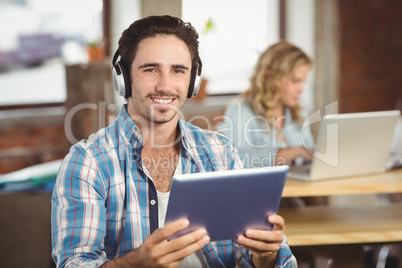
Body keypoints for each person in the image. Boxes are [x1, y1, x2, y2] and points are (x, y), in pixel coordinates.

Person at [51, 15, 297, 267]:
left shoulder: (220, 151)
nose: (165, 86)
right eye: (151, 69)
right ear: (123, 77)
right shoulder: (88, 162)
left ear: (193, 80)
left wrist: (265, 257)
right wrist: (137, 263)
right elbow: (74, 263)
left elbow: (269, 259)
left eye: (178, 70)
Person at [218, 41, 315, 168]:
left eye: (303, 82)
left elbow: (310, 153)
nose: (301, 89)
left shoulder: (300, 111)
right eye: (296, 81)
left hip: (299, 186)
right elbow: (236, 161)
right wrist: (296, 152)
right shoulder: (239, 111)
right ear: (271, 77)